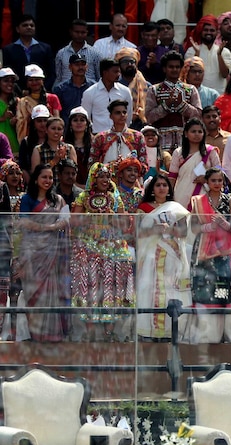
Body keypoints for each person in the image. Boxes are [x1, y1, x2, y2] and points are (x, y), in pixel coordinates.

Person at [71, 163, 135, 342]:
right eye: (101, 176)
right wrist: (90, 216)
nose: (105, 180)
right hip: (89, 248)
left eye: (108, 176)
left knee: (111, 287)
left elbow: (124, 225)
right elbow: (74, 223)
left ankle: (109, 331)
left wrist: (111, 215)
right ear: (93, 178)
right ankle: (90, 330)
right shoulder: (83, 197)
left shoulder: (115, 198)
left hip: (112, 248)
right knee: (90, 286)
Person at [135, 174, 191, 341]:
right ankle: (149, 331)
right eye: (158, 185)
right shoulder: (144, 208)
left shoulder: (176, 208)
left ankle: (170, 330)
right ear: (152, 189)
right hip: (151, 256)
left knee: (170, 291)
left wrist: (170, 229)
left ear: (169, 189)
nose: (161, 188)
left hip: (172, 255)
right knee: (151, 291)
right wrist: (154, 229)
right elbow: (138, 233)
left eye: (164, 185)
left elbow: (183, 232)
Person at [18, 163, 69, 342]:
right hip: (32, 252)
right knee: (34, 292)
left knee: (52, 292)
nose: (48, 181)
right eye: (44, 177)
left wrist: (55, 227)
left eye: (50, 177)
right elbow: (24, 223)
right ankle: (36, 335)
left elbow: (66, 221)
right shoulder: (27, 199)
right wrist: (50, 227)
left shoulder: (58, 200)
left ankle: (52, 335)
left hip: (53, 251)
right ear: (36, 179)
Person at [188, 167, 231, 344]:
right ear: (207, 183)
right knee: (203, 287)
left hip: (224, 252)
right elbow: (193, 227)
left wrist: (225, 224)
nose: (217, 184)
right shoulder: (198, 201)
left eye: (220, 181)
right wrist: (207, 228)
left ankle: (223, 333)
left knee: (222, 287)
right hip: (203, 251)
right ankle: (204, 334)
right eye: (213, 181)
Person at [144, 51, 202, 153]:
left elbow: (198, 116)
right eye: (171, 67)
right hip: (161, 143)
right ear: (164, 69)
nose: (174, 70)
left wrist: (182, 105)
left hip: (186, 142)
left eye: (177, 67)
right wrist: (166, 105)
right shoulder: (154, 90)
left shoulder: (191, 89)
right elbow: (149, 117)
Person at [167, 118, 221, 208]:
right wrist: (169, 197)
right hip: (181, 194)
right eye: (193, 131)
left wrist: (206, 178)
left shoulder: (210, 151)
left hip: (204, 194)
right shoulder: (178, 152)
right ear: (186, 134)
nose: (197, 134)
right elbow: (172, 178)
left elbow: (220, 173)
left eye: (200, 132)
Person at [81, 59, 134, 134]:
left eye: (119, 72)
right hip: (98, 135)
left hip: (121, 135)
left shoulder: (125, 91)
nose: (118, 74)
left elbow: (128, 116)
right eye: (115, 72)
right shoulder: (90, 92)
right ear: (105, 73)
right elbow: (86, 118)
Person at [185, 16, 231, 93]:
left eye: (212, 30)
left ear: (217, 32)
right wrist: (197, 54)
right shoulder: (191, 51)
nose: (209, 33)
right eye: (206, 30)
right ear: (201, 32)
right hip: (197, 95)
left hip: (219, 95)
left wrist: (219, 55)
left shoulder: (225, 52)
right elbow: (188, 74)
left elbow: (225, 75)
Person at [54, 19, 101, 86]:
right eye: (77, 32)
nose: (79, 35)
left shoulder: (95, 54)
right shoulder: (61, 53)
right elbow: (58, 77)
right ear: (71, 32)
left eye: (83, 32)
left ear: (87, 32)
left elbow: (99, 76)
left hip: (89, 92)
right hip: (66, 91)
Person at [53, 55, 93, 126]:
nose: (80, 67)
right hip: (67, 130)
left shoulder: (94, 87)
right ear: (70, 67)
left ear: (87, 67)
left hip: (90, 129)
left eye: (83, 64)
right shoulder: (60, 89)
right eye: (77, 65)